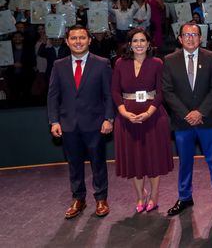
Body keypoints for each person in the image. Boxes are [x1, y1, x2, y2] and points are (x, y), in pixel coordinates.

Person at [47, 25, 114, 219]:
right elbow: (53, 96)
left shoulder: (102, 63)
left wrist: (109, 118)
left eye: (82, 38)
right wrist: (54, 121)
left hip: (95, 123)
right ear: (67, 42)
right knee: (74, 164)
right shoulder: (58, 65)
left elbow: (108, 95)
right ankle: (79, 199)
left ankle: (101, 199)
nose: (78, 41)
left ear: (89, 40)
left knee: (98, 163)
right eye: (74, 38)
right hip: (68, 125)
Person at [162, 23, 212, 216]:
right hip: (182, 122)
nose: (190, 38)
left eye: (194, 34)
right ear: (180, 38)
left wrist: (200, 112)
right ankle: (184, 197)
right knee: (184, 162)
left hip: (206, 120)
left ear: (201, 38)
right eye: (186, 35)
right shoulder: (169, 60)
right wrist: (186, 113)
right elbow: (167, 90)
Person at [112, 28, 173, 213]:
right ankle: (139, 197)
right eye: (135, 41)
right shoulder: (120, 63)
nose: (139, 44)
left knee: (153, 160)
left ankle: (154, 196)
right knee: (135, 160)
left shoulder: (157, 63)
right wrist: (123, 112)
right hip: (127, 118)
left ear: (148, 43)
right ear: (129, 44)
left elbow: (161, 91)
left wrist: (149, 112)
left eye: (142, 41)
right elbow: (115, 91)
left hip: (153, 117)